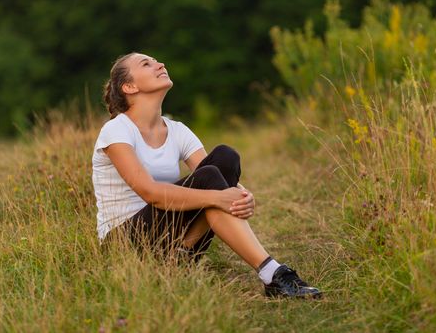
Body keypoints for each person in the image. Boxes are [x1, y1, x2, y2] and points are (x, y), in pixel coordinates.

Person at [92, 52, 321, 298]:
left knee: (225, 157)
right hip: (124, 242)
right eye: (146, 64)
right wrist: (217, 197)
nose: (160, 64)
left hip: (168, 234)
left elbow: (218, 177)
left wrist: (242, 196)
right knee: (210, 180)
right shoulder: (116, 130)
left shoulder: (177, 130)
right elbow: (150, 192)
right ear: (129, 86)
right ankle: (272, 273)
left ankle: (181, 256)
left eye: (157, 60)